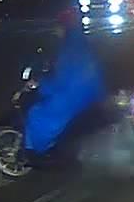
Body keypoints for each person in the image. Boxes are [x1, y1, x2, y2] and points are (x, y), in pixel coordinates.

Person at [22, 10, 107, 157]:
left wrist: (41, 85)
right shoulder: (80, 43)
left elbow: (62, 80)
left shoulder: (69, 49)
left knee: (36, 113)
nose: (57, 31)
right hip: (92, 92)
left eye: (59, 27)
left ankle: (39, 152)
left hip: (76, 96)